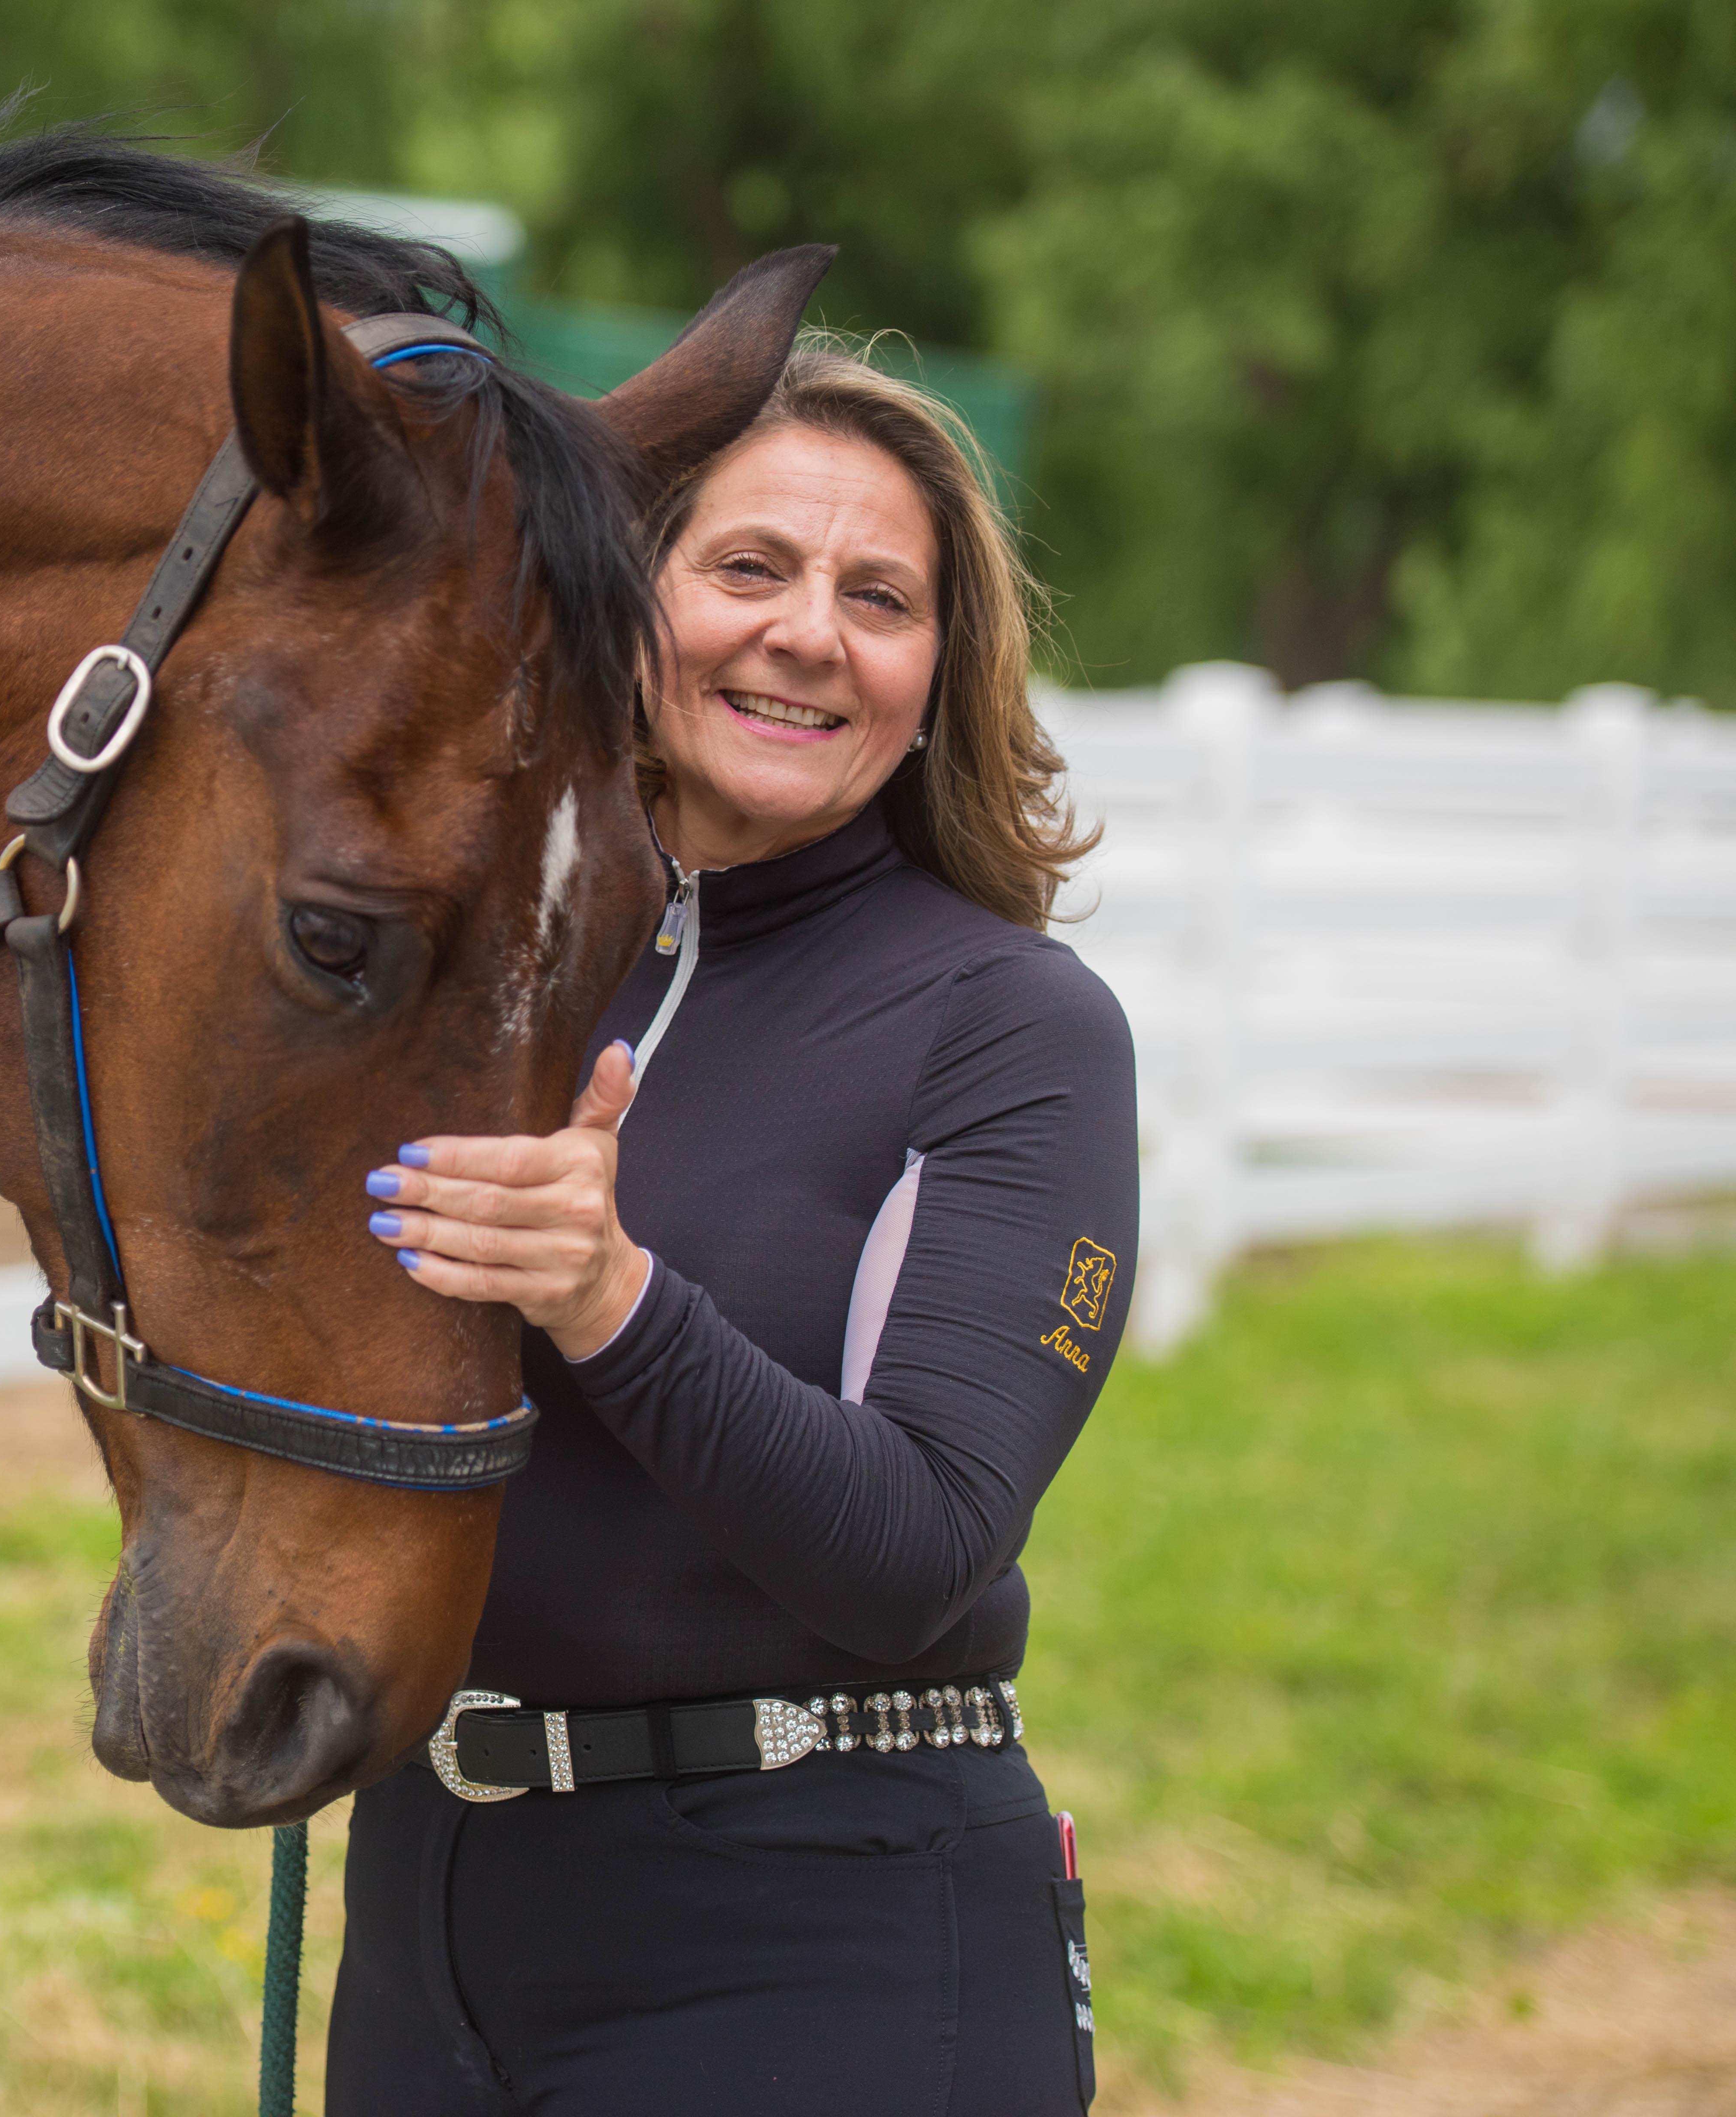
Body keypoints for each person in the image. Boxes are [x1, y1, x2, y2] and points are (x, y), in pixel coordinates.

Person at [329, 345, 1134, 2114]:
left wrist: (611, 1293)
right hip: (421, 1923)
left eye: (880, 598)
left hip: (813, 1922)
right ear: (634, 603)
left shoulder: (1009, 1028)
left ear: (936, 674)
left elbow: (917, 1543)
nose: (808, 634)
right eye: (749, 568)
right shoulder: (480, 983)